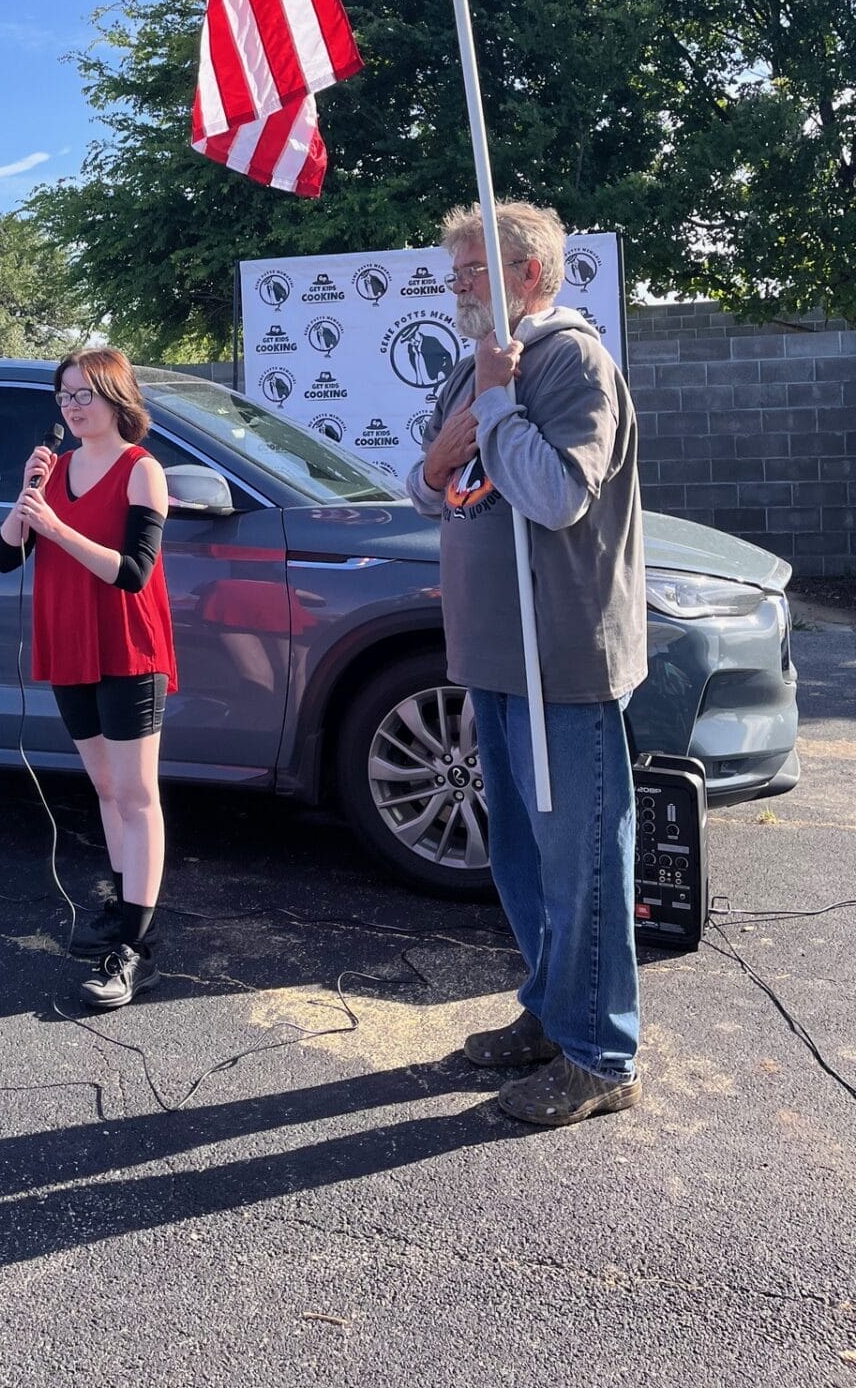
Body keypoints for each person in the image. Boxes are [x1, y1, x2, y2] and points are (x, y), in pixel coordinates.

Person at [405, 201, 646, 1127]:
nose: (458, 288)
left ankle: (603, 1055)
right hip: (494, 656)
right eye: (457, 272)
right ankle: (553, 1013)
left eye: (474, 272)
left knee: (580, 861)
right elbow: (435, 495)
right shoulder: (474, 370)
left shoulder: (570, 362)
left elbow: (555, 497)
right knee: (519, 857)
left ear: (530, 275)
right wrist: (437, 459)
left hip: (563, 660)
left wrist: (500, 402)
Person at [0, 348, 177, 1011]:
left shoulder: (142, 471)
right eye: (64, 396)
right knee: (104, 787)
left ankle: (136, 950)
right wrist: (28, 496)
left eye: (84, 395)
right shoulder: (57, 470)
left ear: (116, 396)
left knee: (136, 794)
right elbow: (5, 556)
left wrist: (58, 528)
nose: (71, 407)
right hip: (68, 642)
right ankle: (123, 906)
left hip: (127, 648)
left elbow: (133, 572)